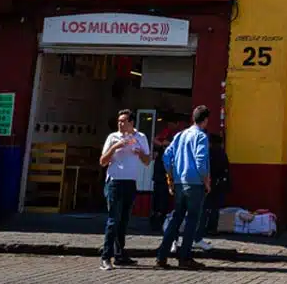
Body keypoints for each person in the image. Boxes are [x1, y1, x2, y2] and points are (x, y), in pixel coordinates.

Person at [155, 105, 212, 270]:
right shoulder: (201, 136)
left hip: (180, 182)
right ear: (206, 120)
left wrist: (172, 175)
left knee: (176, 219)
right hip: (195, 183)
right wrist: (206, 181)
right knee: (192, 220)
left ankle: (162, 255)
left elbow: (166, 156)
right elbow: (201, 162)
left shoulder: (180, 135)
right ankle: (185, 257)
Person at [98, 110, 151, 270]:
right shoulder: (113, 137)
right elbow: (102, 161)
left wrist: (140, 153)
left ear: (131, 123)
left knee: (124, 220)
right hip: (114, 182)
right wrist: (115, 147)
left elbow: (147, 161)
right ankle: (106, 256)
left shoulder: (140, 137)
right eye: (119, 121)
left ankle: (120, 254)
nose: (120, 124)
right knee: (113, 220)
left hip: (130, 183)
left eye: (124, 121)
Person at [203, 133, 231, 236]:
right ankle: (212, 228)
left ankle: (203, 227)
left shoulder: (208, 153)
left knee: (205, 206)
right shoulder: (222, 153)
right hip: (219, 183)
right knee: (215, 208)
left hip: (209, 182)